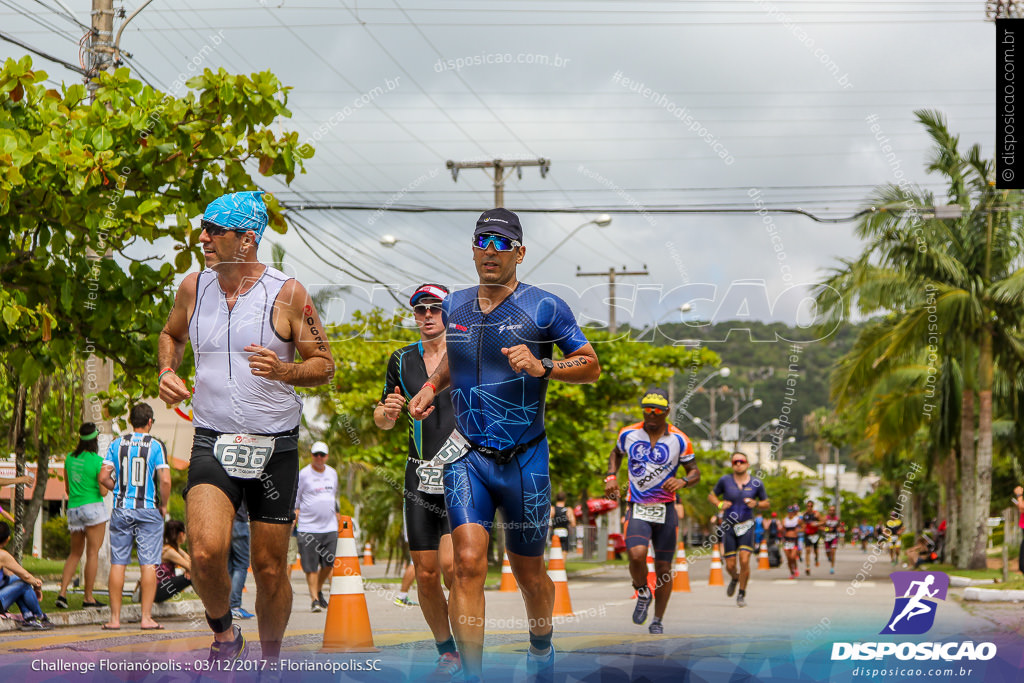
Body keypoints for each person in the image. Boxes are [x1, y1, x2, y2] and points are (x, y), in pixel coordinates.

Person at [408, 208, 601, 682]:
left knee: (529, 573)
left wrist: (543, 368)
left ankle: (541, 646)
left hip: (525, 461)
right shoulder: (453, 305)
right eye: (482, 241)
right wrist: (432, 387)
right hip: (468, 455)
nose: (490, 251)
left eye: (501, 242)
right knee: (468, 565)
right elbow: (453, 361)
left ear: (519, 251)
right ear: (473, 248)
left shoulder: (544, 308)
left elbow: (591, 364)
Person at [158, 191, 335, 661]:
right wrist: (166, 371)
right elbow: (171, 335)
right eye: (204, 227)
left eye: (215, 230)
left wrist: (284, 371)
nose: (203, 237)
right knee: (204, 553)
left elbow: (324, 365)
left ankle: (272, 659)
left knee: (270, 567)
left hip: (273, 444)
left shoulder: (288, 293)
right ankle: (225, 636)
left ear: (247, 240)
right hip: (213, 437)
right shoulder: (193, 286)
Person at [373, 283, 459, 678]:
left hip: (462, 472)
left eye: (435, 308)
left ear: (448, 312)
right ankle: (446, 649)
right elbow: (383, 420)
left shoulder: (466, 354)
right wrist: (388, 412)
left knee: (453, 568)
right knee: (425, 574)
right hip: (419, 474)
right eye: (420, 309)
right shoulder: (401, 358)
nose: (427, 315)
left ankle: (466, 642)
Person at [605, 388, 700, 634]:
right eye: (646, 408)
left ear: (667, 412)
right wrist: (610, 476)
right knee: (636, 555)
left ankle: (657, 619)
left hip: (665, 509)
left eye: (657, 410)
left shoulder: (680, 439)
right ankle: (642, 590)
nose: (651, 414)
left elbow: (694, 471)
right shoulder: (629, 433)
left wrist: (683, 482)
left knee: (664, 569)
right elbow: (615, 453)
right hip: (638, 507)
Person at [98, 403, 171, 630]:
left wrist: (117, 489)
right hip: (148, 510)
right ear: (149, 421)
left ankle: (114, 619)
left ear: (131, 421)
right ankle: (146, 618)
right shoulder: (156, 445)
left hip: (122, 509)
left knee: (118, 562)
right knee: (148, 563)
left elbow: (103, 477)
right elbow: (166, 480)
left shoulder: (116, 443)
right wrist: (164, 505)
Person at [56, 423, 111, 609]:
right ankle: (88, 598)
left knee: (74, 553)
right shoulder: (98, 461)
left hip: (74, 509)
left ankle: (62, 594)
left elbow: (67, 489)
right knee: (92, 553)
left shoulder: (69, 459)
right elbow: (103, 492)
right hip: (93, 508)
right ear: (95, 439)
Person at [708, 452, 768, 607]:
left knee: (744, 558)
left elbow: (766, 503)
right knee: (730, 565)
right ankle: (735, 578)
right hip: (728, 526)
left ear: (747, 464)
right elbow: (712, 496)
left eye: (741, 461)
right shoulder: (725, 481)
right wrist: (720, 504)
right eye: (735, 462)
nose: (738, 464)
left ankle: (741, 593)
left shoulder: (756, 483)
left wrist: (756, 504)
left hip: (747, 525)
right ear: (732, 465)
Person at [295, 440, 339, 613]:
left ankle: (318, 589)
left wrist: (337, 514)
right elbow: (297, 498)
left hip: (329, 526)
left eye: (322, 455)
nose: (319, 458)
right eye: (316, 454)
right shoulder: (304, 474)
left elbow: (333, 496)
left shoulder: (332, 473)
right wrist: (295, 515)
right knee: (311, 566)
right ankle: (314, 599)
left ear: (327, 456)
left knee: (329, 564)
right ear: (312, 456)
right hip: (308, 527)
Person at [0, 522, 54, 630]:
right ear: (7, 539)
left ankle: (29, 617)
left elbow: (13, 576)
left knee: (18, 582)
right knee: (24, 584)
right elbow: (25, 576)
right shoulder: (2, 555)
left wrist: (31, 581)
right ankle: (40, 616)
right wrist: (37, 585)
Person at [155, 520, 192, 603]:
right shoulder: (168, 551)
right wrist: (188, 569)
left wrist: (188, 570)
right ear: (181, 534)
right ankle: (210, 603)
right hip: (156, 592)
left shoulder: (169, 547)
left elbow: (189, 561)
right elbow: (191, 567)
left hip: (159, 589)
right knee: (193, 578)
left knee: (192, 575)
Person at [229, 502, 254, 619]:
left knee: (229, 564)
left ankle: (226, 606)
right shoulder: (241, 482)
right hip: (238, 520)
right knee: (241, 564)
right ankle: (234, 606)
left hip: (222, 522)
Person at [801, 500, 823, 575]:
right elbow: (802, 523)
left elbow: (823, 521)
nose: (809, 507)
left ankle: (816, 559)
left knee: (815, 550)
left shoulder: (816, 514)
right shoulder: (804, 514)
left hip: (815, 535)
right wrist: (803, 527)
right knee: (807, 550)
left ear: (812, 507)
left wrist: (816, 523)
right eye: (808, 506)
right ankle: (807, 567)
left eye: (810, 506)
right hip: (807, 534)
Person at [782, 505, 802, 579]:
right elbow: (782, 530)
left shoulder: (797, 519)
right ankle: (791, 572)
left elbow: (803, 527)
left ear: (794, 512)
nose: (790, 513)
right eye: (789, 512)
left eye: (792, 512)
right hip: (786, 540)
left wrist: (798, 530)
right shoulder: (785, 520)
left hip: (794, 540)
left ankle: (795, 568)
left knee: (793, 557)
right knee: (789, 558)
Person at [822, 505, 841, 575]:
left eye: (833, 510)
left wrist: (838, 529)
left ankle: (832, 568)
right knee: (828, 552)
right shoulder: (825, 518)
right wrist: (827, 529)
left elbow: (839, 526)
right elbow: (821, 527)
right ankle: (829, 557)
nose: (832, 511)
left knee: (833, 551)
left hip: (834, 537)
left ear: (835, 511)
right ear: (829, 511)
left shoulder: (837, 519)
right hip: (827, 537)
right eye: (831, 510)